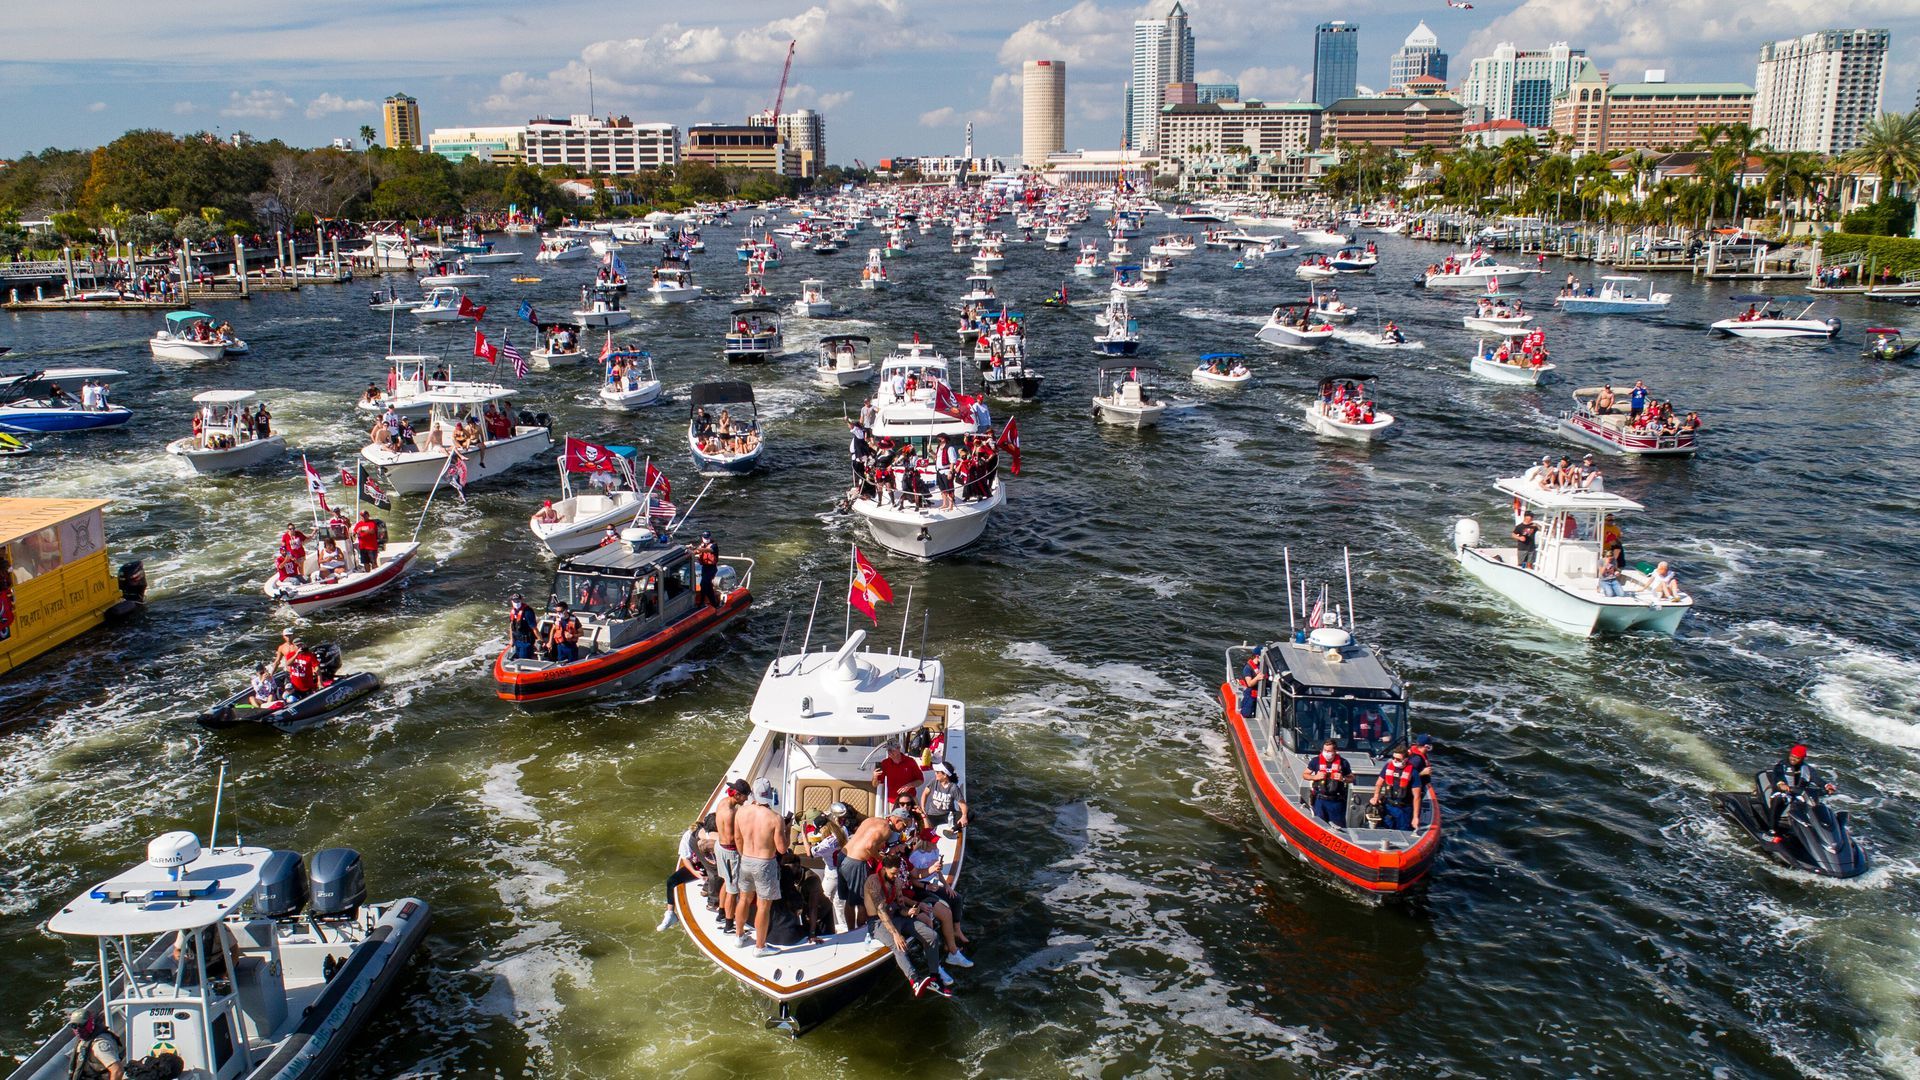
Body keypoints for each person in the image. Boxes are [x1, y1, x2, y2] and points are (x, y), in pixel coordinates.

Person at [864, 852, 949, 997]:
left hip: (897, 916)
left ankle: (935, 977)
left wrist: (909, 910)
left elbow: (900, 907)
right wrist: (896, 934)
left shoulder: (896, 882)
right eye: (892, 873)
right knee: (899, 945)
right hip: (878, 922)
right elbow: (881, 911)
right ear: (884, 868)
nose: (895, 877)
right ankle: (914, 980)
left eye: (897, 873)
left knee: (932, 936)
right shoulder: (873, 882)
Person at [734, 778, 789, 957]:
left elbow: (738, 839)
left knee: (744, 899)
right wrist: (786, 831)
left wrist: (745, 855)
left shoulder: (741, 812)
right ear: (770, 794)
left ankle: (739, 936)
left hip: (746, 859)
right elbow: (782, 848)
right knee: (763, 906)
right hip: (765, 863)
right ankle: (760, 947)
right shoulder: (775, 818)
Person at [1766, 744, 1837, 838]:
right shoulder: (1781, 765)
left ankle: (1812, 834)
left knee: (1813, 806)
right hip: (1784, 792)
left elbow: (1816, 779)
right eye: (1791, 756)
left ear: (1802, 758)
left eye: (1796, 758)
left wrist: (1827, 786)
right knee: (1778, 799)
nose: (1793, 759)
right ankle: (1772, 829)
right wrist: (1781, 784)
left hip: (1799, 794)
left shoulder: (1807, 769)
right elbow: (1778, 775)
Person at [838, 811, 892, 931]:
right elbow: (869, 846)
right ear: (897, 821)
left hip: (843, 855)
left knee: (849, 899)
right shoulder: (887, 829)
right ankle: (860, 933)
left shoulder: (870, 820)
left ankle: (851, 931)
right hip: (855, 862)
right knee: (862, 901)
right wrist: (880, 857)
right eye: (903, 825)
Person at [714, 779, 749, 936]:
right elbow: (732, 839)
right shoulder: (730, 813)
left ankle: (721, 913)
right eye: (745, 796)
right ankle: (729, 925)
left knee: (726, 883)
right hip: (730, 853)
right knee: (733, 890)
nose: (747, 799)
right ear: (737, 794)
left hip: (719, 848)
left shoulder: (723, 803)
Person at [63, 1007, 125, 1080]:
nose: (78, 1029)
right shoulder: (84, 1039)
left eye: (81, 1025)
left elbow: (117, 1070)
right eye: (74, 1026)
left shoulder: (99, 1046)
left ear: (89, 1023)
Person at [1370, 746, 1422, 831]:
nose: (1394, 761)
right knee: (1386, 826)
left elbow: (1417, 796)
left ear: (1405, 759)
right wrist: (1376, 796)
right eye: (1393, 758)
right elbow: (1379, 783)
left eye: (1398, 759)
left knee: (1403, 829)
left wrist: (1415, 817)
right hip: (1389, 805)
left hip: (1404, 808)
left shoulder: (1413, 773)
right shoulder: (1388, 767)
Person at [1303, 740, 1352, 827]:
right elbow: (1305, 775)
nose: (1326, 753)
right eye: (1324, 750)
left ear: (1335, 751)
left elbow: (1351, 778)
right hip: (1320, 799)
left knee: (1339, 826)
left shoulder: (1343, 762)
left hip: (1336, 801)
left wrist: (1343, 778)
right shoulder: (1315, 761)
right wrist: (1315, 777)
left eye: (1329, 751)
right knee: (1319, 825)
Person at [919, 762, 968, 836]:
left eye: (937, 772)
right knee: (925, 830)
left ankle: (952, 830)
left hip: (948, 815)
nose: (935, 773)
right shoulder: (934, 782)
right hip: (933, 815)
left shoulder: (953, 788)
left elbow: (963, 805)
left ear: (945, 775)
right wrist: (923, 807)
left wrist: (964, 816)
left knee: (970, 814)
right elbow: (925, 793)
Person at [873, 741, 926, 807]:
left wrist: (910, 785)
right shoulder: (885, 763)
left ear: (898, 749)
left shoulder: (910, 761)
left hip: (910, 801)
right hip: (894, 803)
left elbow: (920, 780)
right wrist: (875, 777)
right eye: (888, 750)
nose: (889, 752)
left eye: (891, 750)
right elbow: (875, 785)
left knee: (917, 817)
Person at [507, 593, 539, 660]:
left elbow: (534, 628)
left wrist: (540, 641)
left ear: (521, 600)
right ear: (511, 601)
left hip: (526, 642)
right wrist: (511, 639)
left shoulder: (528, 612)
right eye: (514, 601)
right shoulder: (513, 611)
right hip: (516, 641)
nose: (516, 602)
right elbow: (511, 626)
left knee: (524, 660)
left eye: (518, 601)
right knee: (517, 657)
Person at [694, 531, 721, 608]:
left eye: (707, 537)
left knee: (705, 583)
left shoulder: (714, 545)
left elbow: (708, 550)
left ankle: (703, 602)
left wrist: (696, 548)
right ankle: (713, 603)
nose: (706, 539)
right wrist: (691, 551)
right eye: (705, 538)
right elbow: (697, 551)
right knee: (706, 585)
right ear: (702, 538)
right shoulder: (702, 545)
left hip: (711, 568)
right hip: (704, 567)